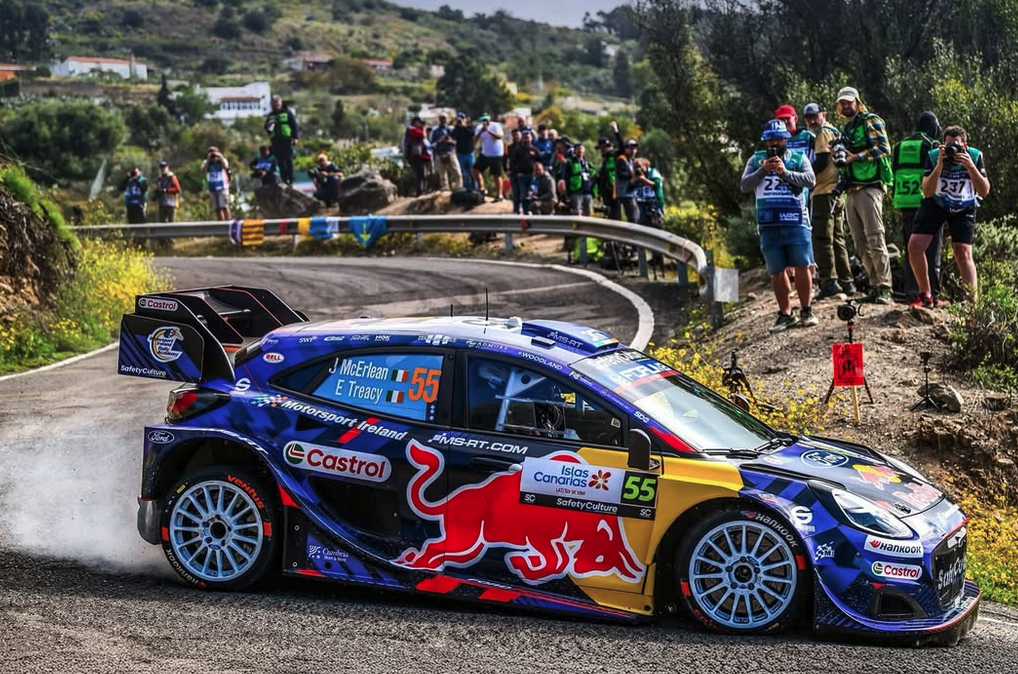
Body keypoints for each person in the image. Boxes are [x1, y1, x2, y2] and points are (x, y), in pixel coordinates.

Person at [741, 119, 818, 332]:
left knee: (802, 265)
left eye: (779, 139)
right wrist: (763, 170)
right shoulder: (755, 160)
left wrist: (784, 172)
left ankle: (807, 310)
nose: (775, 143)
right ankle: (785, 314)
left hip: (796, 221)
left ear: (786, 139)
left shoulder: (798, 158)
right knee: (776, 270)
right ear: (765, 141)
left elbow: (810, 180)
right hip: (769, 223)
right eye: (770, 140)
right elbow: (744, 185)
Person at [908, 126, 990, 305]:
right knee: (915, 246)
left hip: (964, 205)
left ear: (965, 146)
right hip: (937, 202)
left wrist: (970, 166)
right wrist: (939, 165)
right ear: (942, 145)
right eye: (948, 146)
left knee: (962, 252)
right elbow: (927, 191)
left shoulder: (975, 156)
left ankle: (972, 304)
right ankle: (925, 294)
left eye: (957, 146)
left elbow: (984, 190)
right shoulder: (934, 156)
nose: (953, 151)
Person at [836, 86, 894, 304]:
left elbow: (884, 148)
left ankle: (886, 287)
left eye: (849, 102)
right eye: (842, 103)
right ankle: (875, 284)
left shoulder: (871, 120)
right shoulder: (847, 128)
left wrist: (856, 157)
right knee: (859, 242)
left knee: (875, 237)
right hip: (851, 189)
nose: (846, 106)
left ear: (857, 102)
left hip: (870, 186)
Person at [803, 102, 855, 298]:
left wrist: (803, 175)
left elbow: (823, 161)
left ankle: (829, 282)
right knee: (837, 238)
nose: (812, 121)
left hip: (824, 191)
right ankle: (846, 282)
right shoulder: (834, 131)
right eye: (808, 118)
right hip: (837, 190)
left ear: (823, 115)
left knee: (822, 237)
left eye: (814, 116)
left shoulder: (823, 133)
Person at [892, 111, 943, 305]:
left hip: (905, 202)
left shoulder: (899, 146)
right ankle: (933, 295)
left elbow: (895, 170)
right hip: (926, 203)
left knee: (911, 251)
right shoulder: (931, 144)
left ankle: (913, 295)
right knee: (931, 251)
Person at [609, 120, 640, 223]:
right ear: (626, 149)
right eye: (630, 148)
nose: (633, 151)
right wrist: (616, 132)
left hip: (630, 193)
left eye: (634, 148)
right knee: (633, 218)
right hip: (624, 193)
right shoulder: (621, 158)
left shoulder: (631, 160)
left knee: (635, 216)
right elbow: (621, 174)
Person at [264, 95, 298, 185]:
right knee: (280, 160)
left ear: (281, 102)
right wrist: (269, 126)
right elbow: (266, 128)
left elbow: (294, 125)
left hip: (286, 139)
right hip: (275, 140)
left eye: (278, 102)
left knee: (288, 159)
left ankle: (291, 178)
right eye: (274, 103)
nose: (276, 104)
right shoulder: (271, 115)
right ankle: (284, 179)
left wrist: (295, 137)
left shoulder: (287, 112)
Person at [473, 113, 506, 201]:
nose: (485, 121)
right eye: (483, 120)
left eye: (486, 119)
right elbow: (474, 139)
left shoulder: (495, 126)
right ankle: (481, 188)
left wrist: (488, 131)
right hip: (485, 153)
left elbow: (499, 137)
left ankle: (499, 195)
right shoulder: (479, 127)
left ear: (489, 119)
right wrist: (481, 131)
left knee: (496, 175)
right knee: (475, 170)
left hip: (496, 154)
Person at [508, 130, 540, 215]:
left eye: (528, 137)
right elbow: (513, 162)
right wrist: (516, 172)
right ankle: (523, 211)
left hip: (532, 176)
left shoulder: (535, 150)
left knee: (531, 194)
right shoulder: (519, 150)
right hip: (522, 176)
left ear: (531, 138)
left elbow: (539, 162)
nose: (527, 139)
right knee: (523, 195)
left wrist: (537, 173)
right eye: (525, 137)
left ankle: (529, 210)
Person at [430, 114, 463, 191]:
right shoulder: (435, 131)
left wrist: (450, 141)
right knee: (442, 174)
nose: (443, 120)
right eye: (441, 118)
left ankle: (459, 187)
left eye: (444, 118)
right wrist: (440, 141)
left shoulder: (451, 130)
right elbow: (432, 144)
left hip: (450, 152)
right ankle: (445, 188)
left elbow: (457, 141)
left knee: (457, 172)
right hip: (440, 153)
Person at [563, 143, 595, 216]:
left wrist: (594, 192)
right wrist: (568, 193)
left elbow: (593, 176)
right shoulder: (570, 162)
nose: (580, 150)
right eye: (578, 149)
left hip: (587, 191)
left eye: (581, 149)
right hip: (576, 191)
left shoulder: (587, 163)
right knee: (577, 211)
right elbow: (566, 178)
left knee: (588, 212)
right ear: (574, 151)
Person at [403, 116, 431, 197]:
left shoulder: (414, 130)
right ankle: (420, 192)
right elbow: (423, 135)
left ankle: (423, 190)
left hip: (420, 156)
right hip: (415, 157)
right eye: (419, 123)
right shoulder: (412, 130)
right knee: (420, 174)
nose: (420, 124)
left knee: (423, 174)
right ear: (415, 122)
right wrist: (424, 128)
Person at [201, 147, 231, 221]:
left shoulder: (222, 160)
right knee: (217, 208)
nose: (213, 155)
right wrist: (208, 160)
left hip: (222, 187)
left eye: (214, 152)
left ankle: (228, 223)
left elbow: (226, 167)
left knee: (224, 206)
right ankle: (221, 224)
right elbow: (203, 170)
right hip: (212, 188)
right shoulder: (206, 162)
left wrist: (220, 157)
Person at [594, 137, 619, 220]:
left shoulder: (615, 156)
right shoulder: (604, 160)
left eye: (604, 147)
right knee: (608, 212)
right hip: (606, 190)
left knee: (615, 212)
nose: (602, 150)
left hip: (614, 189)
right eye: (601, 148)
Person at [451, 112, 477, 191]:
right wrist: (457, 126)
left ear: (465, 119)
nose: (460, 120)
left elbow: (472, 133)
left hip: (469, 153)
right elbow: (453, 136)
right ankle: (466, 188)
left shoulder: (469, 127)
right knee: (464, 173)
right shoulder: (456, 129)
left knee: (472, 172)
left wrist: (463, 126)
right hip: (460, 154)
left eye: (462, 118)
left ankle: (474, 189)